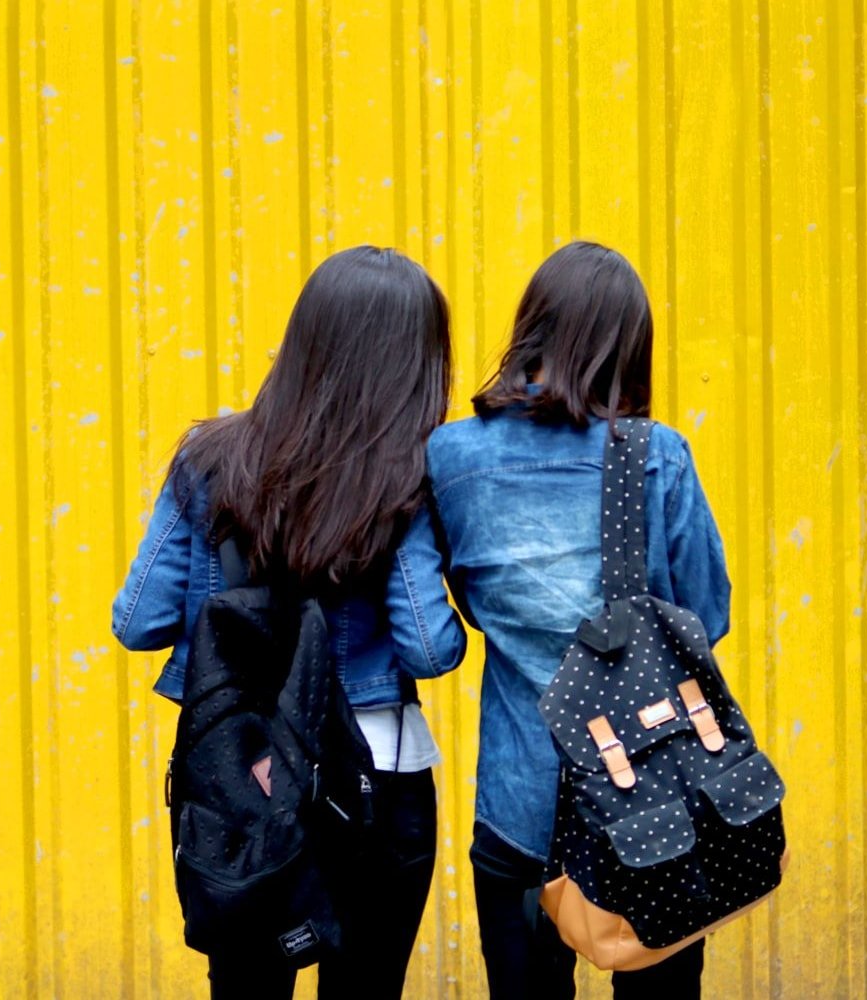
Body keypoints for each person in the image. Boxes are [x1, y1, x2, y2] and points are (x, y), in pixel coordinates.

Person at [112, 246, 468, 998]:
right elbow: (430, 650)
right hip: (374, 784)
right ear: (415, 366)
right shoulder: (406, 476)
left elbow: (138, 621)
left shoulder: (209, 461)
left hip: (239, 781)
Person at [426, 241, 730, 998]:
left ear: (532, 328)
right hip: (653, 803)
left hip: (518, 808)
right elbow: (708, 614)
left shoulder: (452, 456)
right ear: (630, 348)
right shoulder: (657, 456)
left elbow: (454, 596)